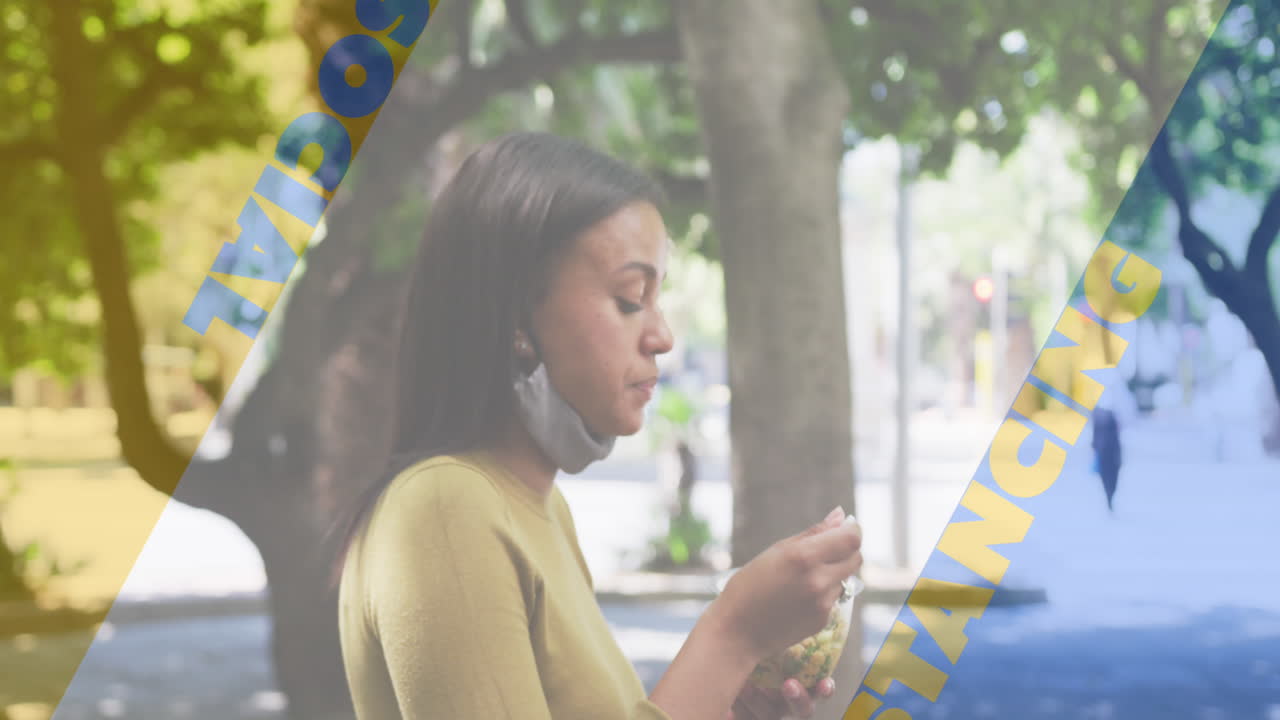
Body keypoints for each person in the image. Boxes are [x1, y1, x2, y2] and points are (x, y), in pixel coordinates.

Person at [330, 132, 863, 720]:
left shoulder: (541, 509)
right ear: (515, 316)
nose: (662, 336)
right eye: (632, 298)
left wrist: (726, 701)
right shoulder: (442, 508)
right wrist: (733, 633)